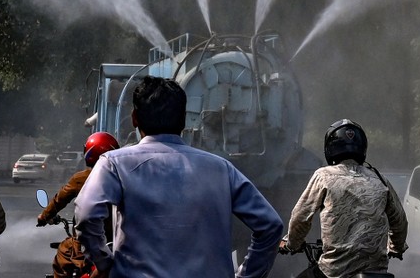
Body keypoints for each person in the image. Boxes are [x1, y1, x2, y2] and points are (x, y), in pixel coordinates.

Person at [75, 76, 283, 278]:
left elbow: (86, 214)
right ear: (183, 119)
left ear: (134, 119)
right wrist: (248, 274)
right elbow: (271, 225)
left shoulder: (114, 163)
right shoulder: (221, 169)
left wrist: (103, 262)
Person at [280, 118, 408, 278]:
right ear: (362, 147)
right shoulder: (379, 179)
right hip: (377, 272)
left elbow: (301, 216)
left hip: (334, 271)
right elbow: (400, 221)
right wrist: (396, 247)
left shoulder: (324, 176)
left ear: (329, 148)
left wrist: (292, 244)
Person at [37, 131, 119, 278]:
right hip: (119, 241)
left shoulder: (82, 178)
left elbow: (59, 200)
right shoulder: (122, 178)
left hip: (88, 244)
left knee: (63, 253)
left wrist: (44, 217)